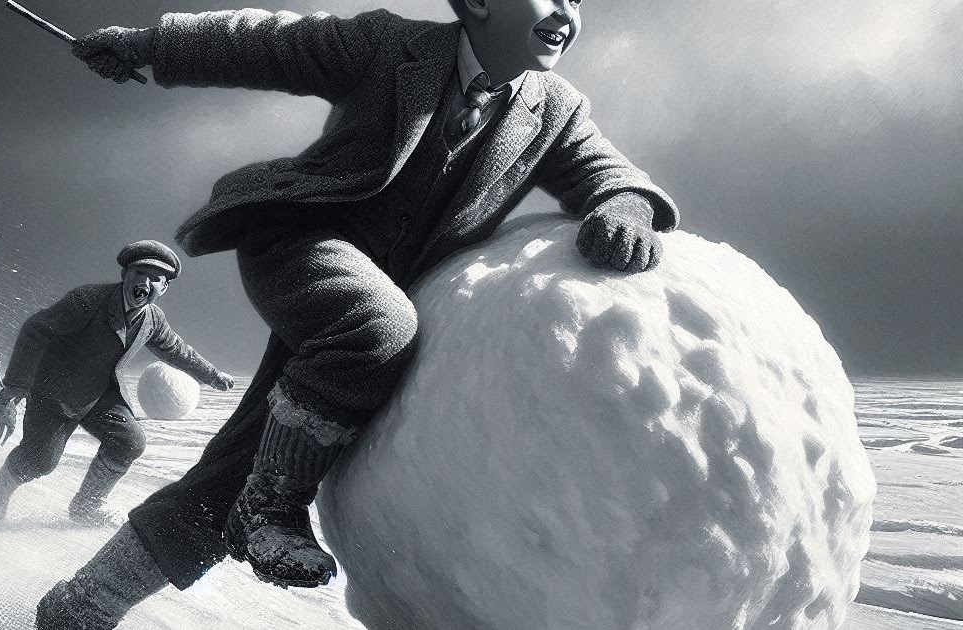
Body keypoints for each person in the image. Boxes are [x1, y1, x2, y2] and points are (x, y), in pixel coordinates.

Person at [38, 1, 681, 627]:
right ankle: (273, 503)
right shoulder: (388, 46)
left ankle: (83, 605)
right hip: (301, 244)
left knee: (236, 467)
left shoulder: (558, 110)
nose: (567, 12)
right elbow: (267, 43)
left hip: (369, 310)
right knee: (379, 327)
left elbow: (607, 169)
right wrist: (149, 45)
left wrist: (625, 204)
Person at [0, 240, 235, 528]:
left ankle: (86, 506)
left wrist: (213, 375)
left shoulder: (153, 319)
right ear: (125, 274)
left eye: (155, 278)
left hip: (100, 395)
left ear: (164, 288)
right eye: (139, 272)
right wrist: (16, 385)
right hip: (54, 394)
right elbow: (36, 330)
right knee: (40, 462)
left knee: (130, 442)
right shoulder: (87, 300)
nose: (145, 282)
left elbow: (176, 349)